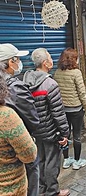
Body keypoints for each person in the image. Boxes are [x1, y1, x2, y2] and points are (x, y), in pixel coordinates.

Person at [23, 48, 70, 196]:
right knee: (52, 162)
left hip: (35, 130)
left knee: (40, 160)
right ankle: (53, 191)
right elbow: (58, 113)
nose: (52, 60)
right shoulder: (50, 84)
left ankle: (41, 189)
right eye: (49, 57)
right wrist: (64, 133)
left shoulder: (25, 81)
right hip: (50, 132)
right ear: (45, 63)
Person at [0, 43, 40, 196]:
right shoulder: (16, 87)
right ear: (10, 62)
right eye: (17, 59)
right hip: (18, 152)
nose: (19, 63)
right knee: (32, 179)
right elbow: (33, 120)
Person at [54, 48, 86, 170]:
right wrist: (85, 106)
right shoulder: (76, 73)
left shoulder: (57, 72)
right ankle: (77, 161)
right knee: (77, 135)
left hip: (63, 109)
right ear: (73, 59)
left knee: (64, 134)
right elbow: (82, 92)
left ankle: (66, 160)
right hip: (76, 109)